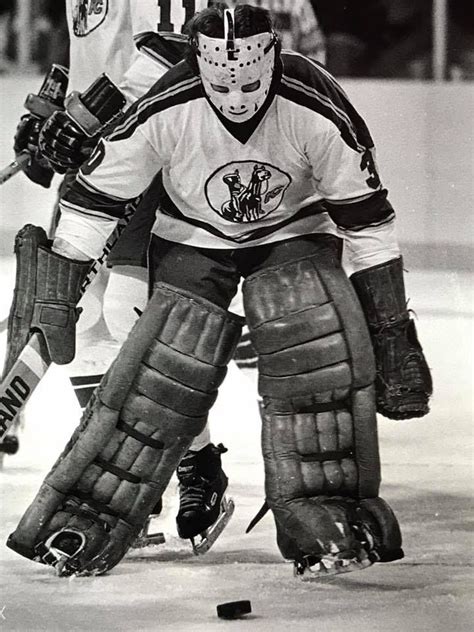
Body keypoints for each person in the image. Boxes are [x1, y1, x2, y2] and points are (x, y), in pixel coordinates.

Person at [6, 4, 431, 579]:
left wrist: (389, 327)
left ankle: (324, 510)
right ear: (198, 65)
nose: (234, 99)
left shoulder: (317, 106)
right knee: (159, 366)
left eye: (250, 83)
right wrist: (57, 294)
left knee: (314, 348)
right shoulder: (167, 104)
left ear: (274, 60)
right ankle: (97, 510)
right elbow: (95, 199)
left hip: (294, 231)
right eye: (220, 83)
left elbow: (366, 222)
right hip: (191, 235)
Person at [7, 0, 231, 552]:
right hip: (97, 158)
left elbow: (179, 48)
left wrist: (85, 117)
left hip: (151, 151)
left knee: (129, 310)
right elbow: (93, 49)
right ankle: (123, 468)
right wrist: (53, 106)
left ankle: (199, 465)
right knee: (79, 324)